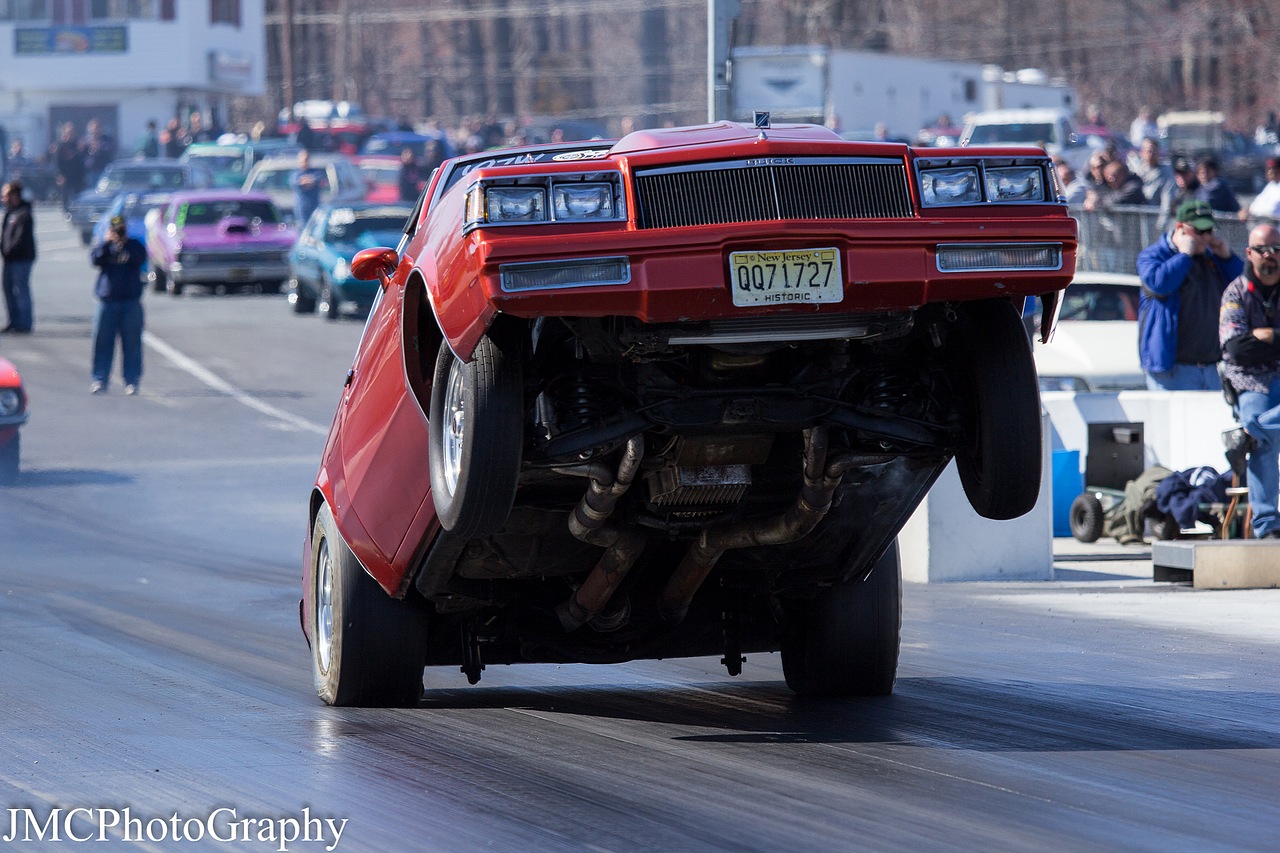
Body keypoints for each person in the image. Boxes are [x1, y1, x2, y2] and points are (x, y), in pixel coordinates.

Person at [1136, 199, 1244, 390]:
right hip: (1173, 369)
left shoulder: (1212, 257)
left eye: (1209, 231)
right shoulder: (1153, 256)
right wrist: (1184, 255)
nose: (1206, 238)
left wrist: (1228, 258)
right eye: (1199, 231)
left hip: (1211, 367)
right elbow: (1160, 284)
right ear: (1181, 228)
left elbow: (1242, 287)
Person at [1219, 223, 1280, 538]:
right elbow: (1236, 348)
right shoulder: (1236, 291)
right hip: (1250, 380)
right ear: (1249, 253)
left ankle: (1248, 433)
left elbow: (1249, 343)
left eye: (1275, 249)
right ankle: (1268, 526)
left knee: (1258, 430)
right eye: (1262, 250)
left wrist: (1268, 335)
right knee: (1263, 437)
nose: (1269, 256)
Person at [88, 215, 146, 395]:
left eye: (120, 229)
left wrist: (125, 242)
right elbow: (95, 260)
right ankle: (100, 379)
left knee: (132, 343)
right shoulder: (104, 246)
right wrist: (107, 243)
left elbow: (140, 258)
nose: (118, 232)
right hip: (108, 300)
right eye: (115, 229)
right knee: (102, 342)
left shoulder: (134, 244)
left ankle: (132, 380)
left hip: (130, 301)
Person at [1, 180, 35, 334]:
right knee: (8, 290)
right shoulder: (10, 212)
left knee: (21, 290)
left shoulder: (24, 213)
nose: (3, 198)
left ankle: (25, 323)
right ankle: (13, 321)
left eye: (6, 195)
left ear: (14, 195)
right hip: (9, 259)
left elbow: (21, 239)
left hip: (21, 259)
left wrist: (9, 250)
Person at [1130, 137, 1176, 214]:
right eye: (1148, 150)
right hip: (1137, 218)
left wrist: (1161, 223)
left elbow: (1167, 200)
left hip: (1155, 216)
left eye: (1154, 150)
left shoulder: (1166, 172)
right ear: (1141, 152)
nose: (1150, 153)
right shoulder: (1135, 171)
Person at [52, 121, 86, 212]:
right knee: (65, 195)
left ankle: (78, 210)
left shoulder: (77, 145)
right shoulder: (61, 146)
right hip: (65, 175)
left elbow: (82, 160)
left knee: (78, 194)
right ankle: (66, 211)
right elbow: (57, 162)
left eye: (72, 132)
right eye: (68, 132)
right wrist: (59, 175)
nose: (70, 135)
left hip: (77, 175)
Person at [291, 149, 325, 225]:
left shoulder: (315, 172)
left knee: (316, 226)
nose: (304, 161)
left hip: (315, 205)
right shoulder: (295, 173)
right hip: (302, 208)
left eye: (306, 159)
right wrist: (308, 181)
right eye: (303, 159)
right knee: (303, 227)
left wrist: (309, 181)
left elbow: (317, 180)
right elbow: (298, 183)